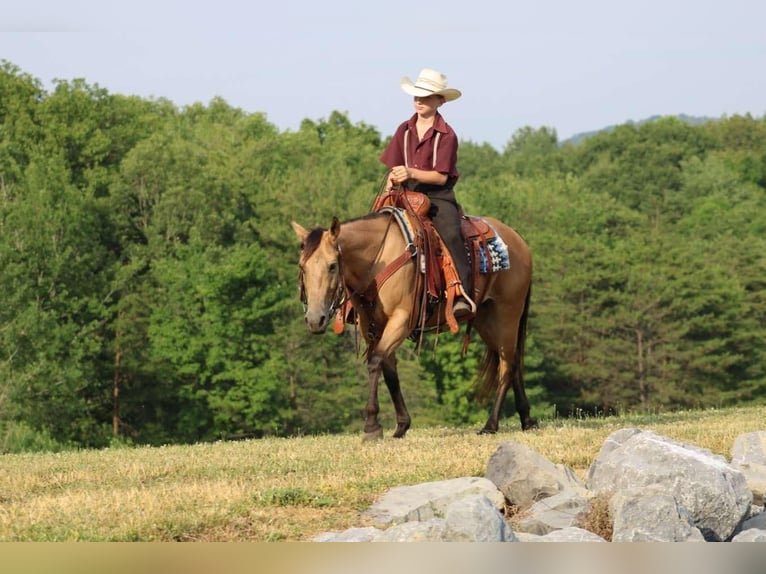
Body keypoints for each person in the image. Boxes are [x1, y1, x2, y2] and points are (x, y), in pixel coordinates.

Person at [379, 68, 474, 317]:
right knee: (372, 229)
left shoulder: (447, 135)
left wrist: (409, 172)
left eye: (426, 96)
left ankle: (463, 293)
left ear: (440, 101)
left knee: (452, 234)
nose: (419, 101)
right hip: (405, 193)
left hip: (437, 197)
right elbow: (395, 165)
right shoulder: (404, 129)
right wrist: (392, 179)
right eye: (416, 96)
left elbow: (441, 176)